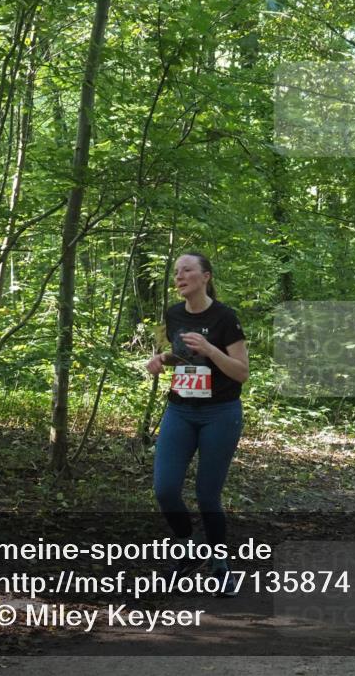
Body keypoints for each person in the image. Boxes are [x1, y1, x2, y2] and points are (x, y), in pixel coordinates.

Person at [145, 253, 249, 596]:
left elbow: (241, 372)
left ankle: (220, 566)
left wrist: (211, 349)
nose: (180, 276)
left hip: (220, 413)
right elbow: (180, 353)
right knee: (165, 489)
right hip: (180, 410)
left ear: (205, 276)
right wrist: (161, 359)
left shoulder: (225, 317)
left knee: (207, 495)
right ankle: (189, 550)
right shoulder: (174, 315)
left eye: (187, 270)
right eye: (176, 272)